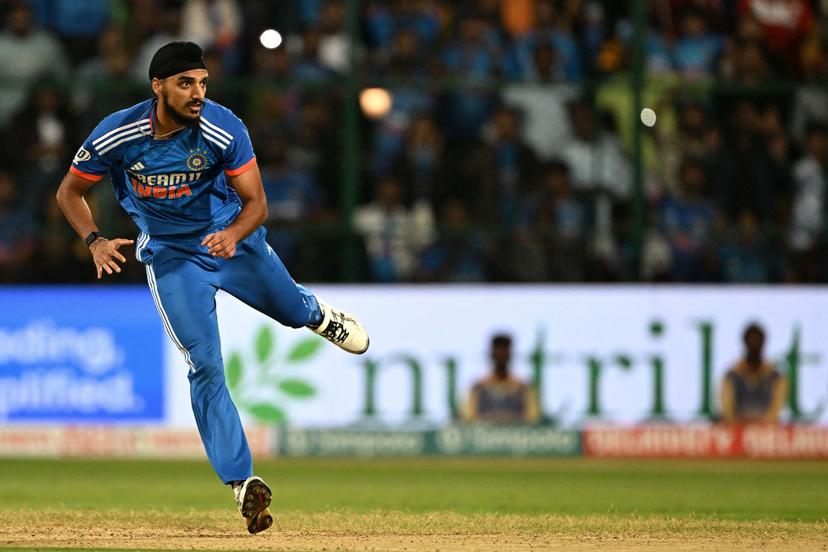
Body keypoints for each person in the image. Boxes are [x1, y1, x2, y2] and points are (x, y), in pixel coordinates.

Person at [55, 42, 369, 535]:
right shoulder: (119, 133)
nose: (198, 93)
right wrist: (93, 240)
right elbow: (69, 191)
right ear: (157, 86)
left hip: (230, 240)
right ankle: (242, 483)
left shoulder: (224, 128)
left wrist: (233, 234)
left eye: (202, 82)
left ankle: (316, 313)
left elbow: (258, 204)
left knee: (290, 312)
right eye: (185, 83)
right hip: (172, 257)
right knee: (204, 365)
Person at [720, 323, 786, 424]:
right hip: (738, 432)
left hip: (766, 434)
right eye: (750, 340)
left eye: (757, 340)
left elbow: (775, 411)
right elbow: (727, 410)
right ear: (744, 342)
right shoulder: (731, 376)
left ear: (763, 342)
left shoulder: (775, 378)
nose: (754, 343)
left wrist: (760, 424)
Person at [464, 334, 539, 424]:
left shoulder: (524, 389)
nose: (501, 355)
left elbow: (533, 419)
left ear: (510, 354)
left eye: (504, 350)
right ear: (491, 354)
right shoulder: (478, 388)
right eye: (498, 350)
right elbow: (468, 418)